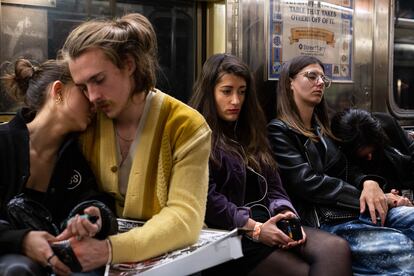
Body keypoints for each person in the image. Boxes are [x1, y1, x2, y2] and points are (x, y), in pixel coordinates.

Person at [59, 13, 211, 271]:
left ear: (129, 65)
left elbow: (185, 217)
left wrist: (110, 250)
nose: (93, 96)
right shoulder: (88, 123)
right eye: (83, 87)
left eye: (98, 80)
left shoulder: (186, 125)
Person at [189, 53, 352, 276]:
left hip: (270, 220)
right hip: (233, 233)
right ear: (210, 93)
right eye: (227, 91)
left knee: (336, 248)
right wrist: (255, 228)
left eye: (242, 92)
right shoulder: (198, 135)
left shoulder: (252, 132)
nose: (236, 100)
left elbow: (275, 186)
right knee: (303, 271)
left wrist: (286, 212)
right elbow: (208, 200)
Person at [267, 55, 414, 275]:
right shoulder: (279, 131)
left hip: (350, 210)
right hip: (324, 219)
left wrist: (369, 183)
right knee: (405, 251)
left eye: (322, 78)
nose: (319, 83)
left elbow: (347, 169)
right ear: (290, 82)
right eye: (311, 76)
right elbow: (308, 183)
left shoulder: (322, 129)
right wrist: (372, 197)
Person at [0, 58, 117, 276]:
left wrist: (88, 216)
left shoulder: (74, 153)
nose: (93, 99)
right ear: (59, 92)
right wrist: (21, 240)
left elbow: (92, 199)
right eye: (83, 90)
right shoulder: (3, 143)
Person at [331, 108, 414, 204]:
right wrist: (386, 196)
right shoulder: (341, 156)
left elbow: (409, 151)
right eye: (365, 156)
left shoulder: (387, 125)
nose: (370, 157)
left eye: (373, 151)